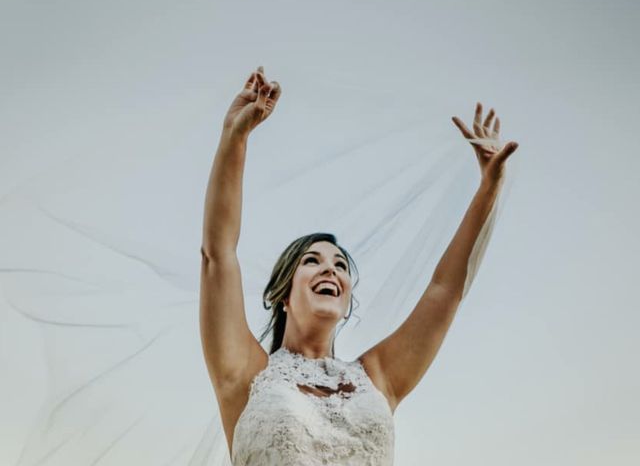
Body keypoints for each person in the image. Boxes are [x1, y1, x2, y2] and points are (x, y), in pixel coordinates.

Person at [199, 66, 519, 465]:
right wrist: (236, 137)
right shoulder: (246, 374)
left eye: (339, 265)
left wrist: (489, 187)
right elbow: (218, 255)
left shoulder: (378, 376)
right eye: (311, 261)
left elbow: (445, 291)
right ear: (283, 293)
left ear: (348, 296)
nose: (330, 269)